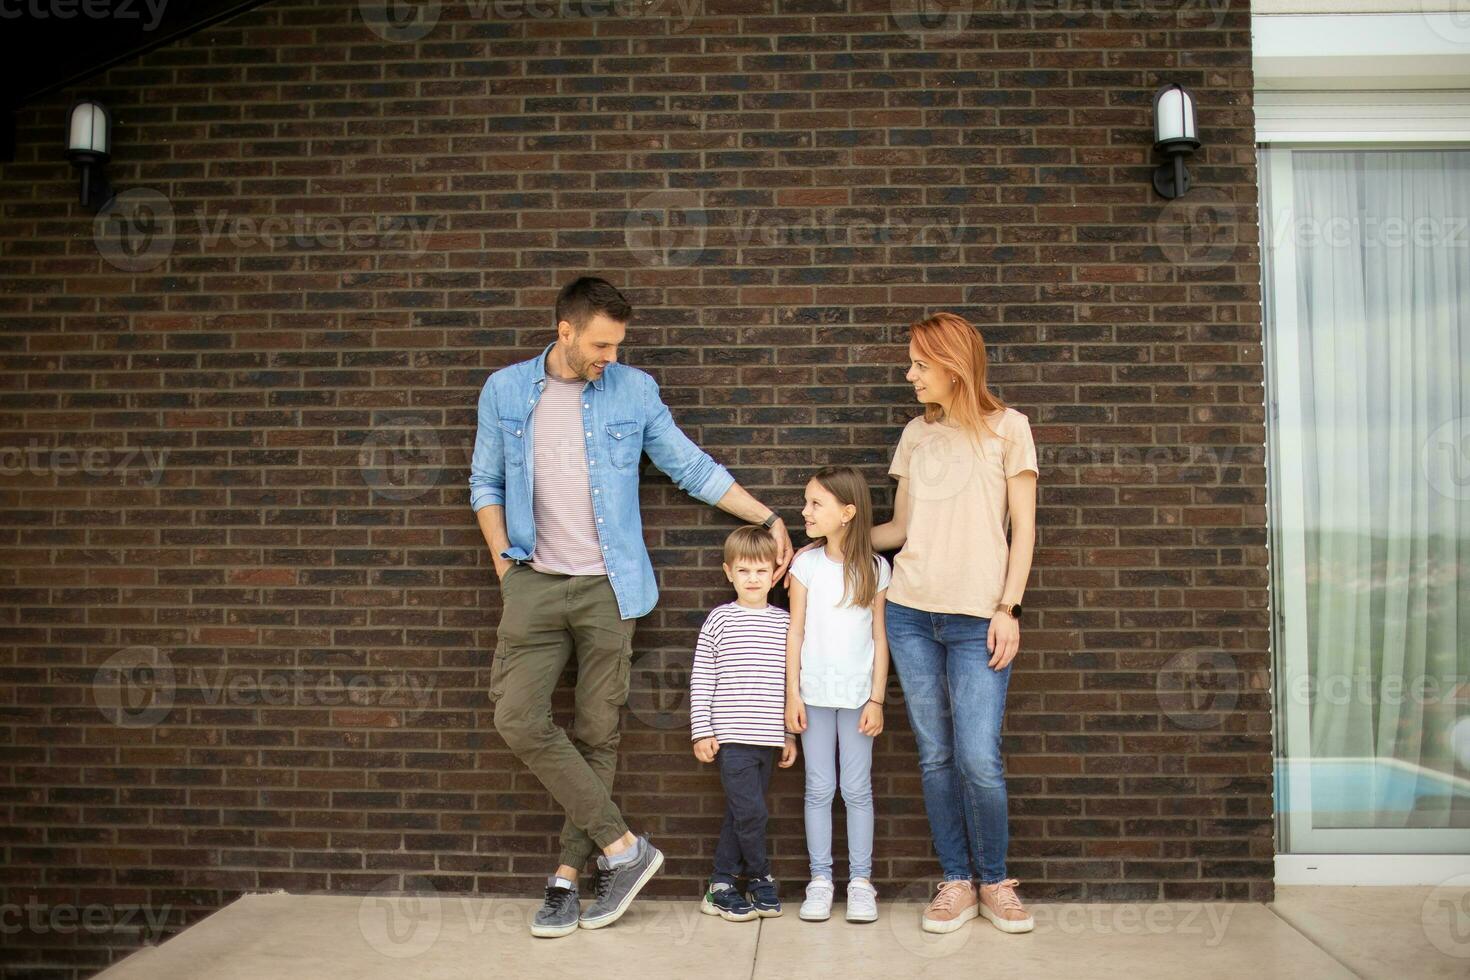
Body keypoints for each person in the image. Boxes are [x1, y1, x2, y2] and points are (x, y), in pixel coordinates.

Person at [469, 277, 794, 937]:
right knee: (518, 716)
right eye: (600, 344)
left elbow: (688, 466)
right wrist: (504, 561)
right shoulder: (505, 391)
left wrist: (767, 516)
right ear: (565, 331)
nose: (610, 356)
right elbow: (485, 479)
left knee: (596, 734)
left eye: (617, 344)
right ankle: (624, 847)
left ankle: (567, 879)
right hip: (532, 579)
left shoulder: (633, 390)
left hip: (609, 590)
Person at [784, 311, 1039, 935]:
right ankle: (955, 879)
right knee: (934, 756)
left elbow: (1024, 530)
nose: (910, 374)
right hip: (911, 614)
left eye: (921, 364)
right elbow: (898, 531)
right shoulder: (915, 435)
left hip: (980, 617)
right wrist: (825, 543)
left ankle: (995, 881)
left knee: (979, 757)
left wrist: (1010, 607)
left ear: (954, 365)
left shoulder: (1010, 430)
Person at [783, 466, 890, 924]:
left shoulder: (875, 569)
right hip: (814, 696)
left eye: (815, 504)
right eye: (807, 503)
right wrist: (792, 695)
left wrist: (877, 699)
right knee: (819, 788)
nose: (804, 512)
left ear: (847, 513)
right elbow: (796, 631)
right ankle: (821, 879)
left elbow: (881, 638)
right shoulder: (805, 566)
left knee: (857, 789)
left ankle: (861, 881)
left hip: (858, 698)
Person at [689, 526, 797, 922]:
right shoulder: (720, 620)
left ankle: (720, 885)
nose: (753, 579)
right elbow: (702, 677)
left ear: (774, 574)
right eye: (744, 571)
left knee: (742, 813)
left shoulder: (785, 623)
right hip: (731, 737)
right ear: (728, 572)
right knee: (751, 812)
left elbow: (791, 684)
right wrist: (702, 729)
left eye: (761, 571)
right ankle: (759, 876)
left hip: (768, 738)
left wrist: (788, 735)